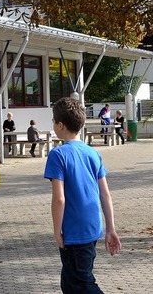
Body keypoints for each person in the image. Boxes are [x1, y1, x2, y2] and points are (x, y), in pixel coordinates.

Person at [44, 97, 121, 293]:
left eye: (53, 121)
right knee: (69, 283)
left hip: (73, 231)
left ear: (60, 125)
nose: (53, 124)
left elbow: (59, 199)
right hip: (93, 226)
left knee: (83, 284)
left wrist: (56, 231)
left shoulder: (58, 155)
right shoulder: (93, 153)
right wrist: (111, 228)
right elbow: (105, 194)